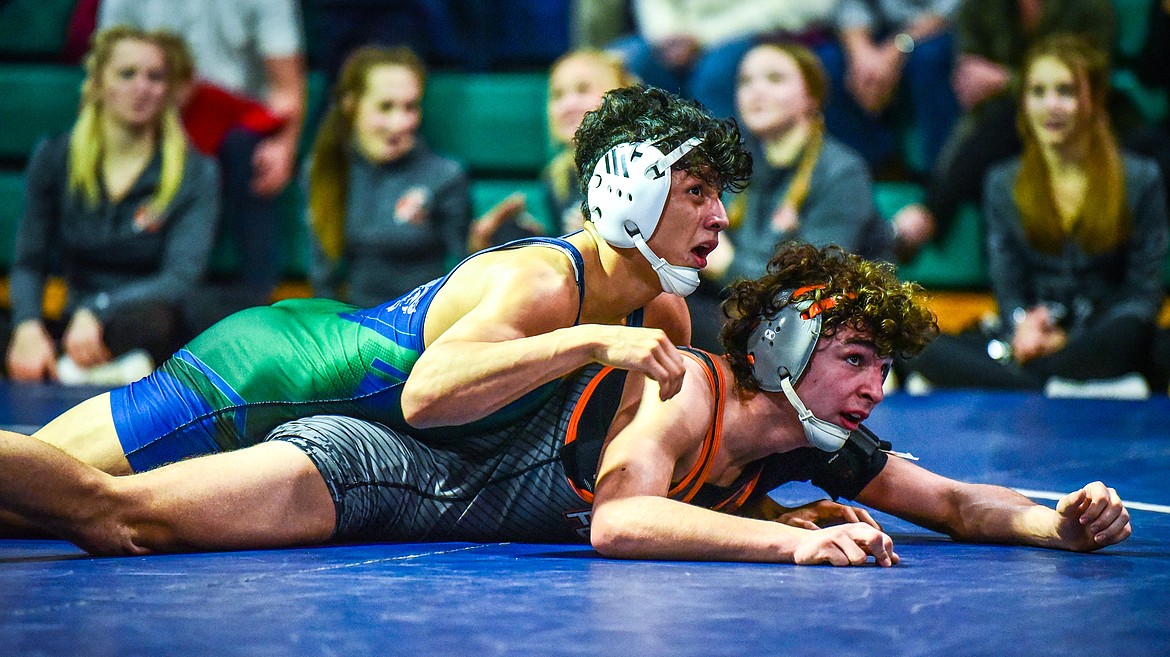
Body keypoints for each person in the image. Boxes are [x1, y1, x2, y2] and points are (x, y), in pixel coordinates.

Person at [0, 242, 1132, 563]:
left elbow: (954, 502)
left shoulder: (814, 439)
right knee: (116, 516)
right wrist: (777, 544)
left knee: (79, 515)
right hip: (382, 469)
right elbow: (622, 519)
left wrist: (1054, 522)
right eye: (852, 357)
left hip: (427, 513)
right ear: (784, 343)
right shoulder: (688, 389)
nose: (874, 385)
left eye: (882, 366)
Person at [19, 85, 750, 487]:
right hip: (265, 373)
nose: (719, 216)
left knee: (36, 505)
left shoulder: (659, 307)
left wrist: (759, 508)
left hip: (320, 378)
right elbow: (426, 398)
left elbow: (652, 445)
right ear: (631, 193)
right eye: (696, 192)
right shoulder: (544, 282)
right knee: (38, 481)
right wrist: (588, 340)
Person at [896, 34, 1168, 393]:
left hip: (1109, 335)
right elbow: (1008, 282)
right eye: (1038, 92)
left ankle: (1030, 379)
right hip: (1031, 337)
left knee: (1138, 334)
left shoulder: (1140, 177)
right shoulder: (1002, 181)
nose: (1050, 105)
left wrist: (1072, 340)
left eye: (1065, 92)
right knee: (917, 345)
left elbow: (1144, 291)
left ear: (1094, 99)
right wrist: (1024, 324)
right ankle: (1054, 380)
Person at [3, 26, 219, 385]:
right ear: (99, 82)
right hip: (71, 323)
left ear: (168, 89)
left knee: (165, 320)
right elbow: (29, 262)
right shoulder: (55, 156)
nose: (142, 87)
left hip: (142, 320)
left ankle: (75, 373)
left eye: (155, 77)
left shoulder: (197, 171)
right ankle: (87, 370)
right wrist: (26, 327)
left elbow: (180, 277)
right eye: (127, 74)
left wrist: (98, 309)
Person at [98, 0, 307, 310]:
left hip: (237, 126)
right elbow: (107, 70)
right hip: (152, 117)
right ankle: (124, 295)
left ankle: (258, 302)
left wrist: (283, 145)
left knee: (245, 151)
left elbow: (286, 88)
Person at [691, 41, 890, 351]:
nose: (756, 91)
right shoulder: (737, 165)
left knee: (670, 316)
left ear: (811, 97)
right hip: (750, 315)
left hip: (820, 329)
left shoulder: (842, 171)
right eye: (745, 81)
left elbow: (813, 286)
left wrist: (727, 264)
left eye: (774, 79)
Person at [889, 0, 1118, 259]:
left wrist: (1007, 81)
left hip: (1073, 128)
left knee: (1010, 123)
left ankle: (928, 214)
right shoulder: (980, 7)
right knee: (998, 148)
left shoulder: (1091, 8)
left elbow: (1089, 81)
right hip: (995, 131)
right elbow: (970, 77)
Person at [305, 45, 470, 307]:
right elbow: (322, 276)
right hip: (355, 325)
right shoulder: (326, 168)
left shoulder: (445, 176)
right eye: (385, 107)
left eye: (410, 107)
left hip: (427, 325)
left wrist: (483, 242)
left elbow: (465, 272)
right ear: (351, 104)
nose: (401, 123)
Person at [467, 48, 635, 254]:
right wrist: (490, 239)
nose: (568, 105)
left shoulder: (637, 166)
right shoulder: (558, 175)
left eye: (582, 90)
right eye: (558, 95)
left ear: (620, 97)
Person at [608, 0, 836, 120]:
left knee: (715, 73)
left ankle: (727, 182)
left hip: (758, 28)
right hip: (683, 32)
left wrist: (703, 36)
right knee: (620, 60)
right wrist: (668, 34)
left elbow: (806, 5)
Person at [815, 0, 961, 175]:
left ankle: (941, 176)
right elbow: (850, 7)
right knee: (827, 63)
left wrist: (896, 48)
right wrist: (861, 54)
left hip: (938, 30)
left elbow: (951, 9)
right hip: (877, 32)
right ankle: (868, 169)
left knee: (927, 60)